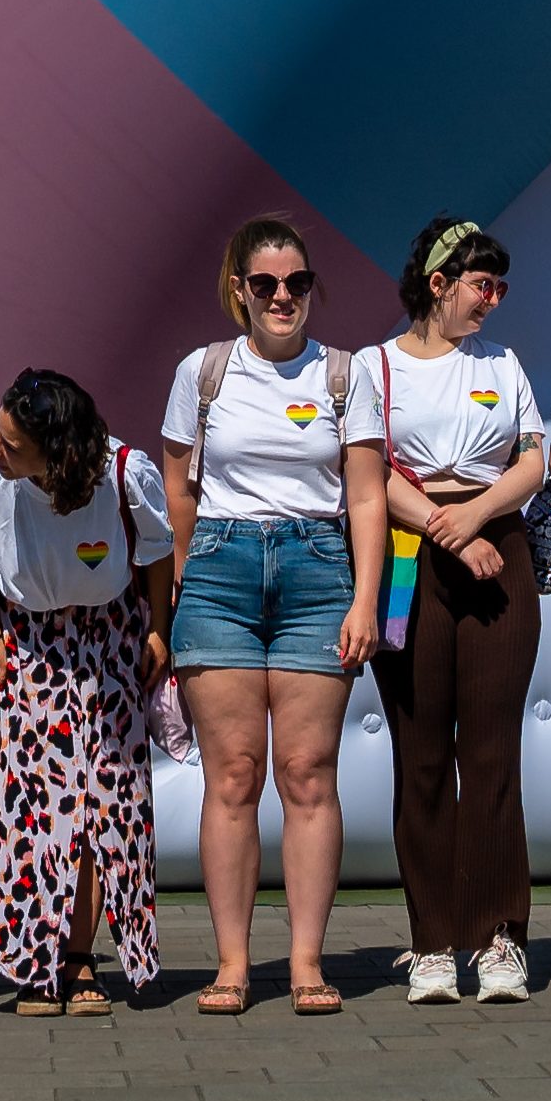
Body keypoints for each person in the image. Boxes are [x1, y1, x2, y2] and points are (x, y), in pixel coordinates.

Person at [158, 213, 383, 1014]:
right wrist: (186, 572)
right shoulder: (204, 370)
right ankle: (229, 962)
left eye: (296, 282)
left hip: (318, 568)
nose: (282, 296)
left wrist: (365, 598)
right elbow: (175, 480)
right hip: (220, 566)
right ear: (239, 290)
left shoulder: (346, 373)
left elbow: (365, 492)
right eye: (265, 283)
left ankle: (306, 960)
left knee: (306, 772)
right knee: (231, 774)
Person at [0, 364, 175, 1015]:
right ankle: (32, 965)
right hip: (23, 642)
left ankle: (76, 961)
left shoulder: (126, 471)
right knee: (26, 811)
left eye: (13, 442)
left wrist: (158, 631)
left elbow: (157, 549)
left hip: (108, 639)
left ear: (60, 452)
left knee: (94, 808)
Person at [360, 217, 550, 1005]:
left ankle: (499, 935)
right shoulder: (374, 365)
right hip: (408, 556)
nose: (493, 300)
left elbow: (533, 456)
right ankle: (433, 938)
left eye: (501, 285)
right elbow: (365, 468)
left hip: (496, 546)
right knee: (423, 755)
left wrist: (473, 520)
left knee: (493, 754)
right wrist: (441, 527)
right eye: (481, 284)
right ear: (437, 283)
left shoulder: (500, 361)